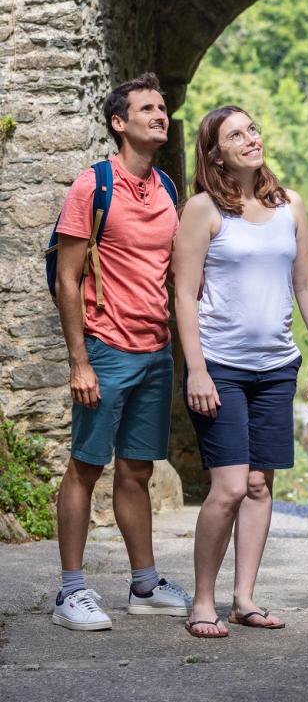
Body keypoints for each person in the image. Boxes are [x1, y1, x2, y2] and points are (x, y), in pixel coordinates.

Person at [173, 105, 308, 639]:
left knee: (261, 486)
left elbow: (306, 284)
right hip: (220, 366)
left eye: (253, 129)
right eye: (235, 134)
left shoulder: (291, 206)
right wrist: (195, 368)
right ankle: (202, 601)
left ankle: (243, 600)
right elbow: (184, 294)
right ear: (215, 152)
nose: (251, 138)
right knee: (230, 487)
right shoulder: (203, 210)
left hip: (276, 367)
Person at [51, 72, 191, 631]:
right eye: (147, 109)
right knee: (86, 466)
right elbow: (67, 279)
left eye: (162, 108)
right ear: (120, 123)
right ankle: (70, 592)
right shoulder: (94, 185)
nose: (160, 115)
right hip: (105, 349)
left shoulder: (167, 190)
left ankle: (144, 583)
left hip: (155, 352)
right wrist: (79, 360)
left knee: (137, 469)